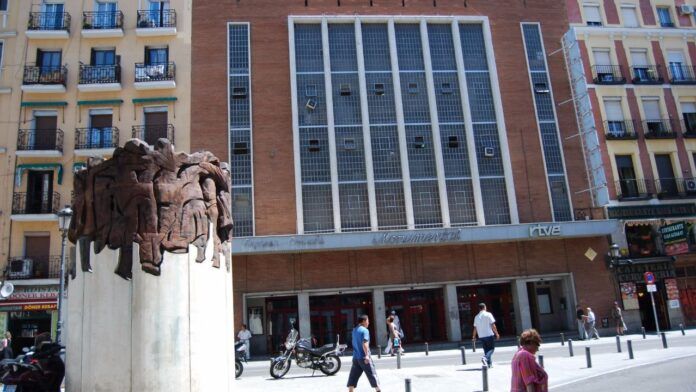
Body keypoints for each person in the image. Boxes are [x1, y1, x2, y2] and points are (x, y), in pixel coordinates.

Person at [347, 315, 381, 392]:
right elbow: (365, 343)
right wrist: (367, 355)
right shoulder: (365, 330)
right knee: (372, 374)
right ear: (363, 321)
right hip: (363, 357)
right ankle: (378, 390)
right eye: (368, 321)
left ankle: (350, 390)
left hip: (356, 357)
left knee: (353, 376)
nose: (368, 322)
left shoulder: (354, 330)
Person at [472, 302, 500, 368]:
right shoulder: (488, 314)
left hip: (481, 336)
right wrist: (497, 333)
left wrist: (474, 336)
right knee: (492, 349)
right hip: (489, 334)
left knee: (486, 350)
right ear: (484, 307)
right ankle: (485, 358)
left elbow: (475, 328)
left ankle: (489, 364)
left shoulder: (476, 317)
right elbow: (493, 325)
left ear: (479, 309)